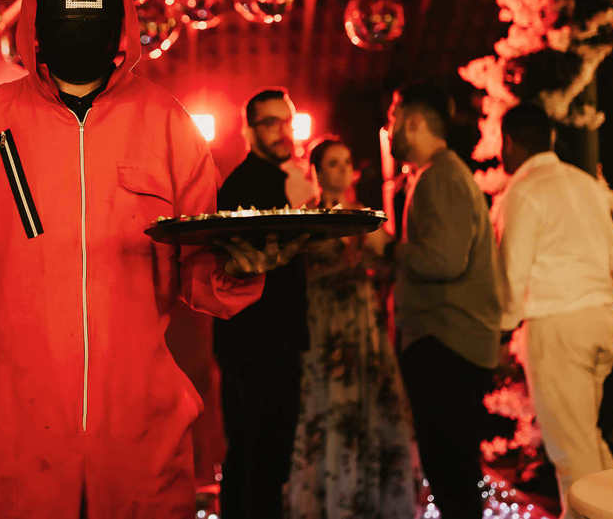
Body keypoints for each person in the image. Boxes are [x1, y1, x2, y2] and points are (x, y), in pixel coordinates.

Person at [0, 0, 288, 519]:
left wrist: (242, 266)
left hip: (141, 440)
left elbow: (201, 274)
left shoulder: (166, 124)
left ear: (120, 17)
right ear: (35, 19)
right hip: (19, 438)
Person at [492, 102, 613, 518]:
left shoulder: (523, 191)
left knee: (571, 450)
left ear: (509, 143)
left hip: (557, 323)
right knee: (586, 437)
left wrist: (500, 330)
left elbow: (512, 275)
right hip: (601, 317)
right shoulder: (585, 184)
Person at [386, 83, 501, 519]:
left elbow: (444, 260)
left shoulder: (441, 177)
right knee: (451, 471)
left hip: (446, 342)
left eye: (394, 122)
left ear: (413, 123)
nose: (390, 131)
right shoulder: (437, 175)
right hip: (446, 340)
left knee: (451, 472)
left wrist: (390, 248)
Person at [288, 138, 416, 519]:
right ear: (316, 171)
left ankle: (367, 499)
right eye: (333, 163)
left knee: (367, 404)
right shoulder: (304, 217)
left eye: (347, 162)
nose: (343, 170)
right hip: (322, 320)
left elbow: (391, 258)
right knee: (325, 405)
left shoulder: (364, 215)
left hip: (361, 321)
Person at [212, 89, 309, 519]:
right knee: (258, 456)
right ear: (248, 131)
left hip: (271, 339)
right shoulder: (245, 185)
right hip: (255, 343)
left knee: (262, 455)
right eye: (271, 123)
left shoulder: (281, 180)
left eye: (286, 121)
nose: (282, 131)